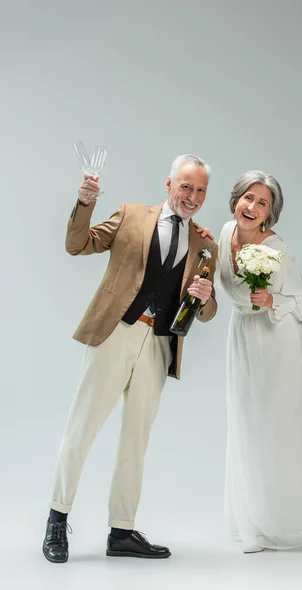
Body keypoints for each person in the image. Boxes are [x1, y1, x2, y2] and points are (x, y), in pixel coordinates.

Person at [42, 154, 217, 563]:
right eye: (185, 186)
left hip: (158, 344)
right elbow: (77, 244)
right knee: (81, 427)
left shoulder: (204, 242)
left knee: (136, 439)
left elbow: (206, 309)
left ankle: (121, 530)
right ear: (168, 184)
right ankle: (56, 519)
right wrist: (85, 202)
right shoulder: (131, 215)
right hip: (115, 332)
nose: (191, 196)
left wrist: (206, 300)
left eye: (200, 190)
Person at [217, 170, 302, 555]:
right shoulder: (224, 235)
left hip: (278, 343)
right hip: (243, 338)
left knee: (286, 433)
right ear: (236, 200)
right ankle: (255, 525)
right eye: (249, 197)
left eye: (263, 203)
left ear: (270, 214)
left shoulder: (279, 248)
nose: (253, 206)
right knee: (247, 426)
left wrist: (272, 301)